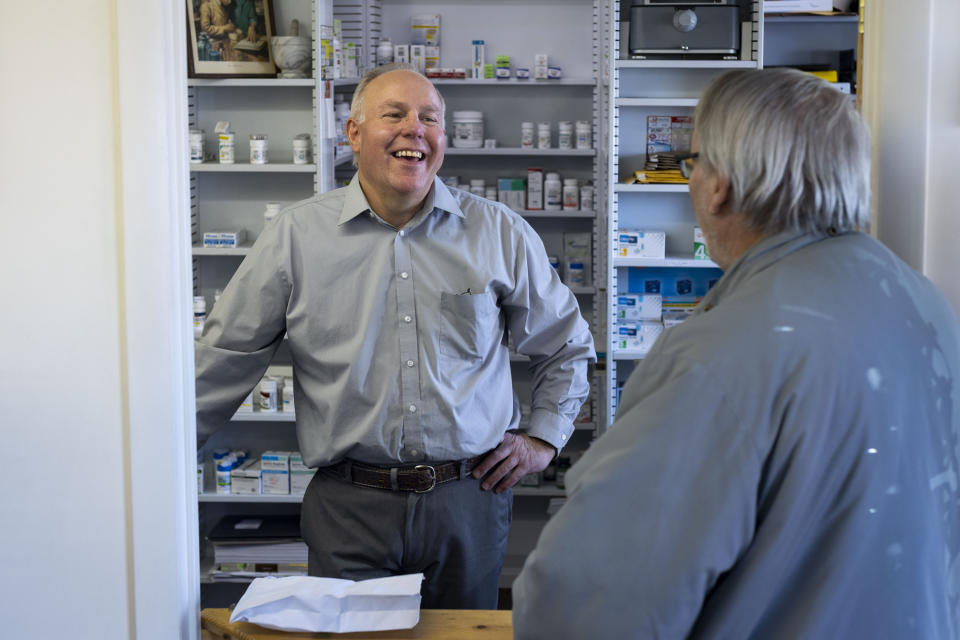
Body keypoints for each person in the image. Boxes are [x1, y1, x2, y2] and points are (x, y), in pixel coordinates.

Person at [513, 68, 960, 638]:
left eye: (692, 162)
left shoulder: (725, 349)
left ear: (720, 182)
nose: (692, 178)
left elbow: (589, 601)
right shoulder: (921, 302)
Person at [195, 62, 595, 609]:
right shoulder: (297, 236)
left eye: (430, 118)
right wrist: (151, 459)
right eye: (395, 114)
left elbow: (566, 345)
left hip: (468, 499)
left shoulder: (498, 232)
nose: (416, 130)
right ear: (353, 133)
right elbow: (224, 356)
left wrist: (544, 437)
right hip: (349, 507)